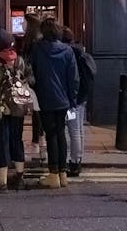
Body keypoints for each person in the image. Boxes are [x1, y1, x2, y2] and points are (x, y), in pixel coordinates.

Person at [30, 18, 79, 189]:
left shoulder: (37, 49)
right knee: (60, 134)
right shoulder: (67, 51)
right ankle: (62, 174)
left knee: (51, 134)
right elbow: (73, 79)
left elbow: (33, 73)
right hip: (63, 100)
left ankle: (53, 174)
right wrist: (72, 100)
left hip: (45, 98)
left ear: (43, 31)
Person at [0, 29, 31, 191]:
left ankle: (2, 181)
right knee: (16, 140)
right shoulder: (19, 60)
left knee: (1, 142)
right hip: (17, 107)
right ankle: (19, 177)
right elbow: (29, 79)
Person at [62, 26, 96, 177]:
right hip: (82, 97)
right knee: (79, 130)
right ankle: (78, 159)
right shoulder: (80, 51)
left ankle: (74, 163)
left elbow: (72, 79)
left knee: (73, 130)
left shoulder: (70, 54)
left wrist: (71, 99)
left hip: (73, 100)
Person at [21, 13, 45, 158]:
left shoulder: (34, 41)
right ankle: (38, 141)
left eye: (24, 22)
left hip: (36, 80)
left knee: (37, 111)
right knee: (37, 111)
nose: (22, 25)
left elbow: (30, 63)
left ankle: (38, 141)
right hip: (35, 80)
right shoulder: (33, 38)